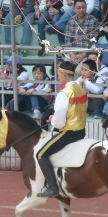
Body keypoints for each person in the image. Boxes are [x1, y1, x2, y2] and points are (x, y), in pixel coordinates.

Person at [37, 60, 87, 198]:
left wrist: (52, 120)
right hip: (81, 130)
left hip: (69, 132)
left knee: (41, 155)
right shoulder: (80, 88)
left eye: (59, 73)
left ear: (64, 74)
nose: (58, 76)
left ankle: (53, 187)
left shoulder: (64, 93)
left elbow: (59, 120)